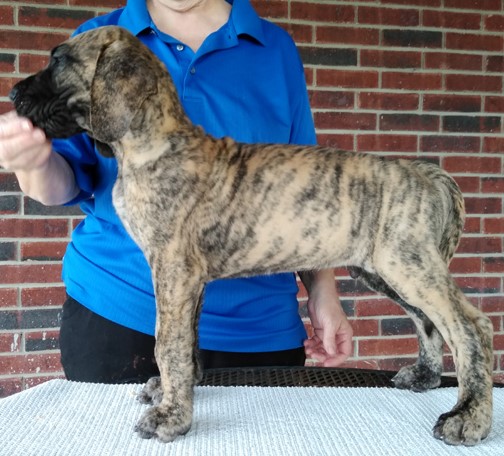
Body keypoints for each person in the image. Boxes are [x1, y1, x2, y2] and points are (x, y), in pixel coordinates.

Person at [0, 0, 353, 383]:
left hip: (258, 329)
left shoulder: (275, 49)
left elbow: (304, 194)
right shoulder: (100, 40)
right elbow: (62, 184)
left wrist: (323, 290)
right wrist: (32, 161)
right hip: (122, 318)